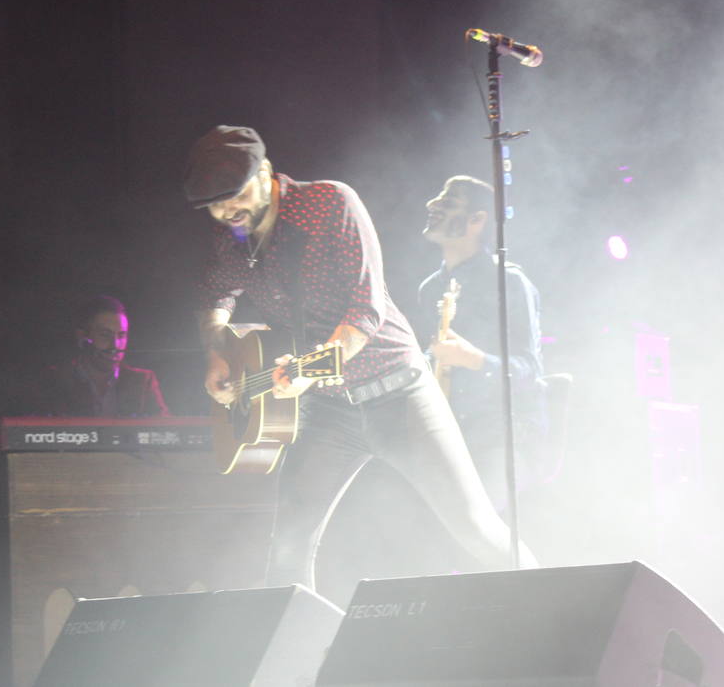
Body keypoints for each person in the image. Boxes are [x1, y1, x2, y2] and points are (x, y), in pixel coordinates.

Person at [184, 125, 534, 590]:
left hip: (397, 391)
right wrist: (217, 349)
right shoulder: (235, 237)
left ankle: (565, 617)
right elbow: (214, 294)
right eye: (215, 204)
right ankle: (296, 661)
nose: (228, 210)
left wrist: (309, 369)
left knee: (475, 527)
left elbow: (365, 309)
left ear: (266, 173)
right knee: (288, 545)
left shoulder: (329, 203)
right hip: (329, 410)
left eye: (236, 194)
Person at [419, 175, 546, 510]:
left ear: (477, 220)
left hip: (503, 435)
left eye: (448, 202)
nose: (432, 205)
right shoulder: (429, 289)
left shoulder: (509, 282)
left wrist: (475, 360)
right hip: (448, 432)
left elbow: (530, 369)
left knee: (481, 519)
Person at [35, 295, 171, 417]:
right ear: (82, 336)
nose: (115, 345)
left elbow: (166, 433)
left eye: (121, 335)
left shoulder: (143, 381)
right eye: (105, 335)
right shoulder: (55, 380)